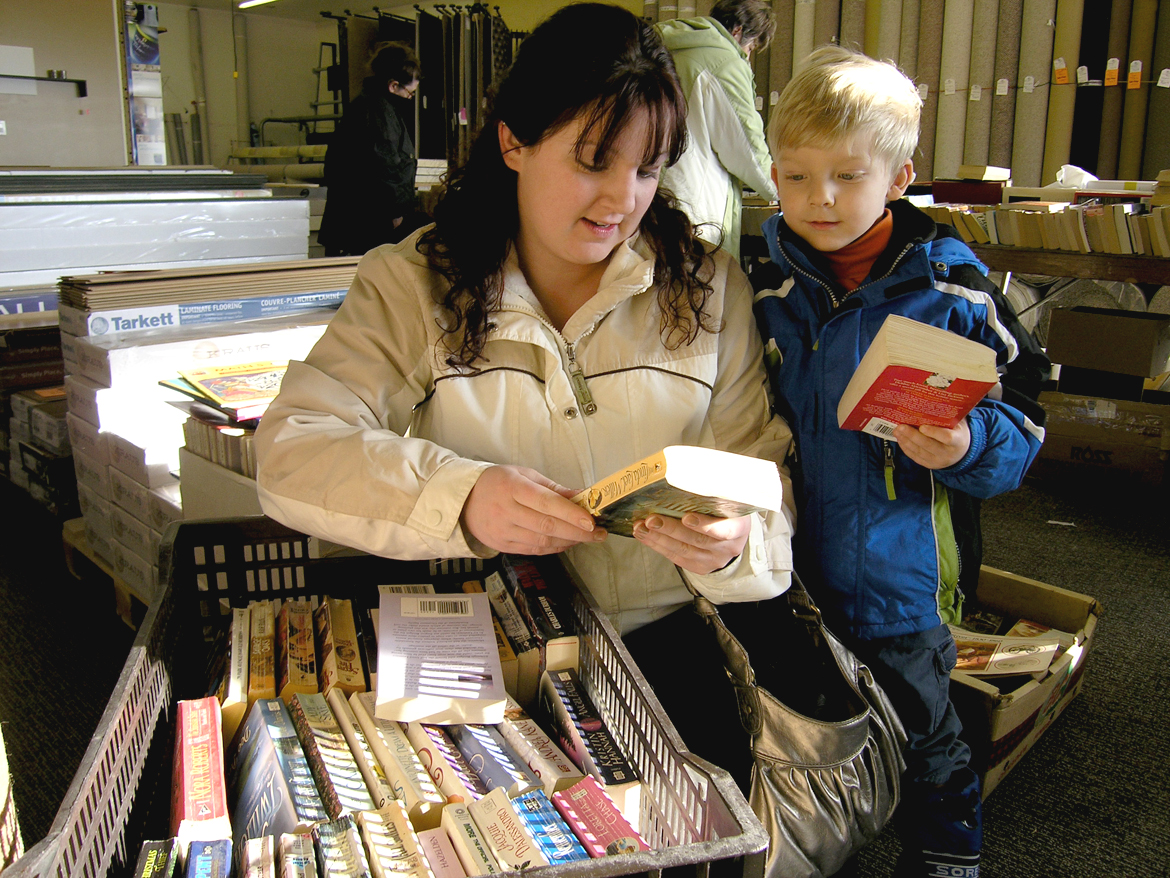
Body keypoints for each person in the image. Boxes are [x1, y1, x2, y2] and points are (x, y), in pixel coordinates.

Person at [255, 2, 795, 790]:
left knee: (690, 831)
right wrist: (462, 497)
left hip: (669, 648)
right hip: (490, 648)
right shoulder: (415, 285)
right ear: (513, 139)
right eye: (592, 159)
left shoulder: (708, 289)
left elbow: (763, 481)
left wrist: (738, 542)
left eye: (647, 169)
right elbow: (292, 447)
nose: (621, 199)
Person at [753, 45, 1050, 878]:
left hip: (903, 574)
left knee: (928, 736)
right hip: (792, 569)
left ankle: (946, 859)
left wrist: (963, 445)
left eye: (848, 176)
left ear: (899, 175)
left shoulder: (956, 294)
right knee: (812, 723)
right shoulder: (765, 292)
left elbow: (1023, 423)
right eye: (797, 175)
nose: (820, 199)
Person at [656, 0, 778, 259]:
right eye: (751, 46)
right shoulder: (725, 62)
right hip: (696, 209)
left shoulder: (661, 48)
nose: (748, 55)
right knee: (703, 290)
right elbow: (747, 148)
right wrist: (780, 188)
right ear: (737, 31)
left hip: (651, 196)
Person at [317, 41, 423, 257]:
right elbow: (386, 166)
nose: (409, 99)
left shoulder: (367, 104)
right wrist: (395, 213)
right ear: (393, 86)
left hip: (355, 217)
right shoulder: (379, 113)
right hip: (368, 221)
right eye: (410, 93)